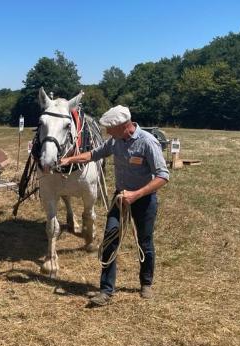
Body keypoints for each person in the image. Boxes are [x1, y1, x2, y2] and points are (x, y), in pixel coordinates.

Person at [60, 105, 169, 306]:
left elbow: (163, 176)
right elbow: (93, 154)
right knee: (110, 239)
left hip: (143, 199)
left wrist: (136, 194)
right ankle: (106, 291)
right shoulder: (115, 141)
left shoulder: (148, 142)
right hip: (120, 199)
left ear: (124, 126)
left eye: (110, 128)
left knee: (144, 243)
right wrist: (69, 159)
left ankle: (146, 283)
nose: (107, 132)